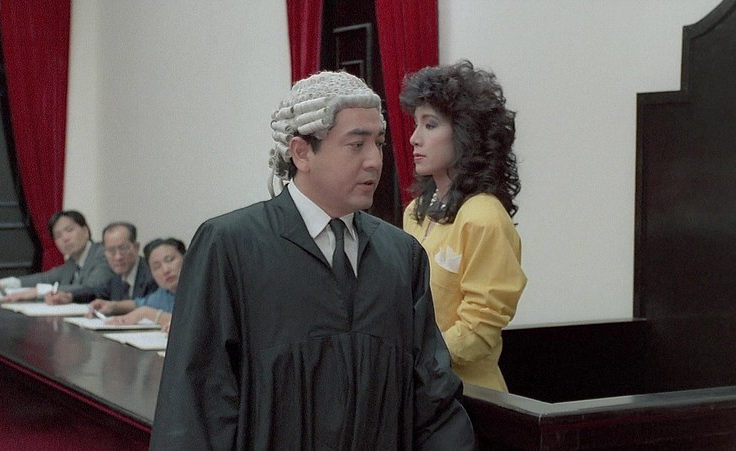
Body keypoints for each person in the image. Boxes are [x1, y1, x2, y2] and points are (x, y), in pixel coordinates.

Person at [150, 71, 475, 450]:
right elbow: (195, 405)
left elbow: (432, 398)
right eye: (356, 145)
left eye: (379, 143)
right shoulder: (230, 246)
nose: (374, 161)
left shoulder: (401, 256)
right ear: (302, 152)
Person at [400, 60, 528, 393]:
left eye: (430, 125)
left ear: (465, 133)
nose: (414, 138)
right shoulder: (415, 212)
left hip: (466, 397)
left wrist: (408, 358)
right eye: (415, 124)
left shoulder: (484, 216)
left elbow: (479, 330)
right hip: (418, 390)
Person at [0, 210, 113, 302]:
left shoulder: (103, 253)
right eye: (58, 235)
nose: (65, 238)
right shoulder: (72, 263)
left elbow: (90, 288)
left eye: (69, 230)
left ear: (86, 231)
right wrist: (0, 284)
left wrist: (37, 292)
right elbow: (45, 278)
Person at [44, 222, 158, 305]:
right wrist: (69, 296)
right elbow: (95, 292)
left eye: (123, 248)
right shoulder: (116, 276)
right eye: (111, 251)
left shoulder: (152, 276)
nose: (118, 257)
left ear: (136, 247)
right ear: (104, 252)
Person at [94, 237, 185, 331]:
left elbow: (191, 321)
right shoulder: (164, 293)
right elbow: (138, 304)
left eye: (170, 260)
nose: (165, 270)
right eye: (157, 266)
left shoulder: (195, 290)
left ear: (186, 258)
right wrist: (113, 306)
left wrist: (146, 313)